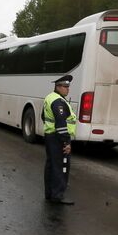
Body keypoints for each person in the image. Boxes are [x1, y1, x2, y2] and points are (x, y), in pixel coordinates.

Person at [42, 74, 76, 205]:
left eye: (68, 87)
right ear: (58, 87)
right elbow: (61, 124)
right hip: (58, 138)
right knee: (61, 166)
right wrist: (66, 142)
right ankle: (57, 195)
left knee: (51, 165)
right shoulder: (58, 102)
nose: (68, 89)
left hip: (50, 136)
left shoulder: (50, 98)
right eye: (65, 87)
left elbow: (43, 116)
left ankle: (49, 193)